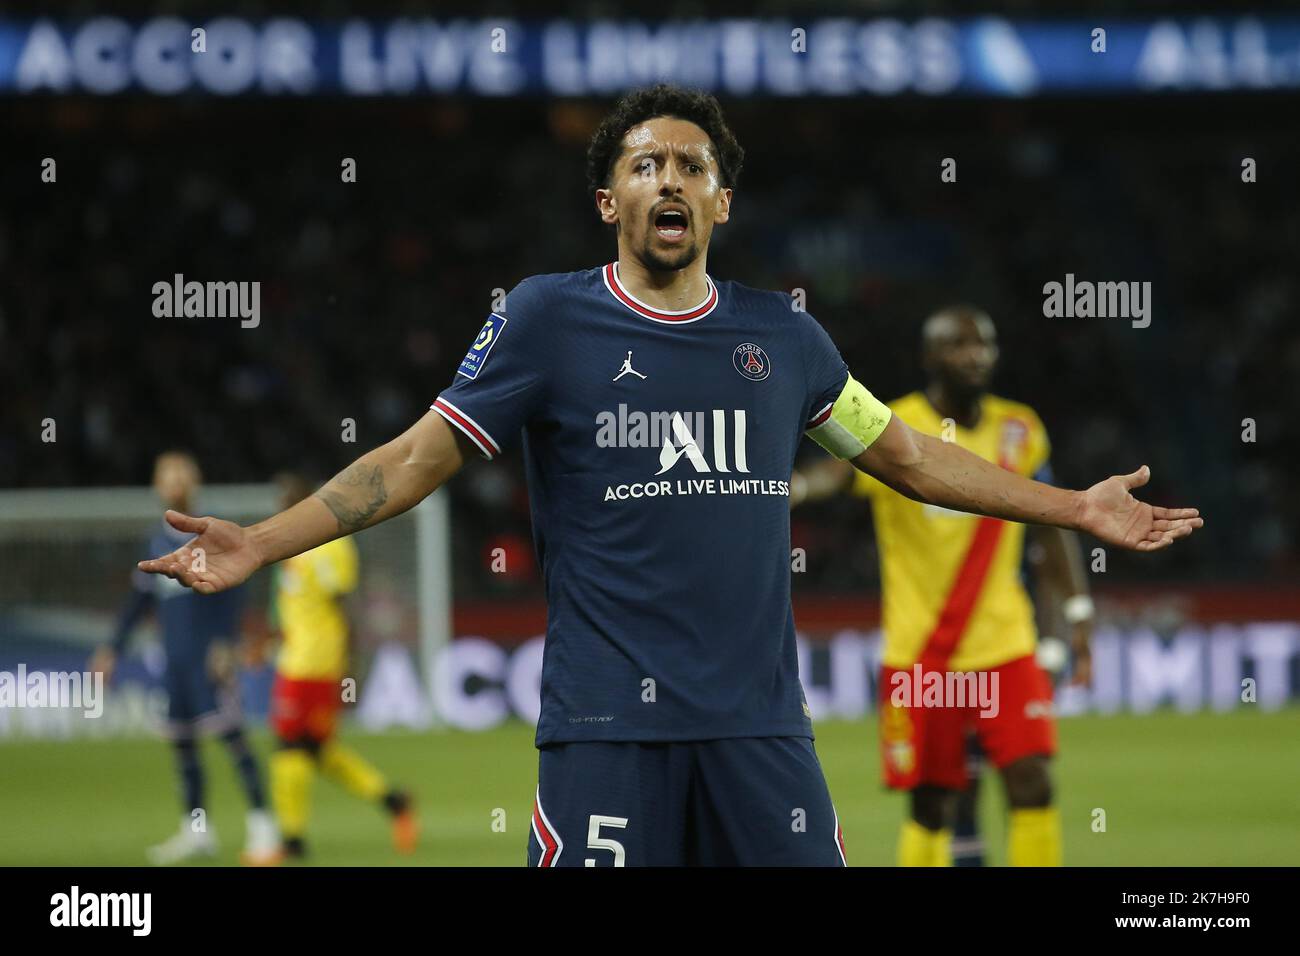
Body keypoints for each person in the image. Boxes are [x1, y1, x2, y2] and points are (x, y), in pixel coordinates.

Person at [137, 85, 1201, 867]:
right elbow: (417, 455)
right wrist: (263, 540)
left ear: (722, 202)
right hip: (609, 729)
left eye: (692, 165)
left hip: (758, 725)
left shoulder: (782, 335)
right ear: (609, 200)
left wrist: (1073, 505)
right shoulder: (545, 317)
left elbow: (907, 455)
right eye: (645, 165)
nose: (670, 180)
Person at [792, 306, 1095, 866]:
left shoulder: (1019, 429)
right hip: (920, 650)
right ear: (929, 357)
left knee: (1033, 783)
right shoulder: (892, 420)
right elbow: (833, 473)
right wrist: (787, 487)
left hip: (1005, 642)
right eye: (958, 345)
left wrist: (1076, 613)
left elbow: (1053, 531)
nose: (974, 355)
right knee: (932, 802)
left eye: (983, 343)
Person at [92, 451, 279, 865]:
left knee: (233, 738)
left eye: (181, 471)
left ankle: (265, 827)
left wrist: (227, 644)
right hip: (174, 658)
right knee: (183, 746)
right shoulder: (155, 540)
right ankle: (198, 832)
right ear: (158, 485)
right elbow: (138, 602)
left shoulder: (212, 531)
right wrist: (112, 650)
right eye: (166, 473)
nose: (174, 480)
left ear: (194, 481)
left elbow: (235, 592)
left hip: (209, 656)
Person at [265, 472, 417, 861]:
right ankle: (394, 801)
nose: (282, 507)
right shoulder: (293, 546)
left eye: (289, 499)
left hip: (314, 664)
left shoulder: (329, 546)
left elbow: (345, 607)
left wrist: (351, 664)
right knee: (315, 750)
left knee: (289, 746)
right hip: (298, 659)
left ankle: (292, 842)